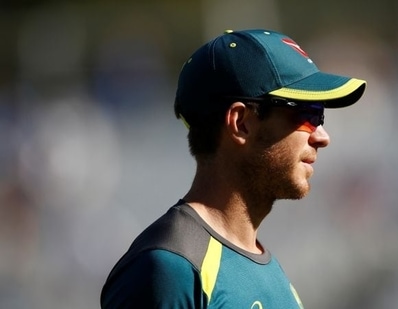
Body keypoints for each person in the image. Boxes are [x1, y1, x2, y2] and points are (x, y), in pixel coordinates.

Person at [100, 28, 366, 308]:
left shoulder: (270, 274)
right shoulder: (171, 267)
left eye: (320, 115)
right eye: (307, 113)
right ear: (241, 123)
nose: (323, 136)